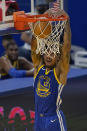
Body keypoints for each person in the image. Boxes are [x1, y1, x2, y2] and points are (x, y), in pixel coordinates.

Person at [31, 9, 71, 131]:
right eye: (47, 52)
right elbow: (34, 47)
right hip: (38, 119)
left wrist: (66, 20)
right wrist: (43, 19)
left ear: (58, 57)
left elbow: (66, 48)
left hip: (53, 119)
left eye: (53, 53)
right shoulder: (38, 67)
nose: (48, 55)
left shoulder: (60, 71)